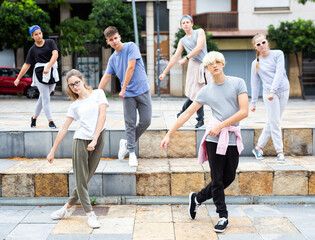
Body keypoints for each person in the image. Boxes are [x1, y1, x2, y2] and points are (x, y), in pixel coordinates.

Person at [160, 51, 248, 233]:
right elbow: (186, 114)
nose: (214, 65)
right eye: (210, 63)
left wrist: (222, 125)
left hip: (230, 136)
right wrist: (169, 133)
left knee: (228, 177)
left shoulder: (238, 83)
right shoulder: (206, 91)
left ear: (223, 64)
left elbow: (244, 111)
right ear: (206, 68)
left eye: (217, 62)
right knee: (217, 179)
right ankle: (223, 216)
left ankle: (197, 198)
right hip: (213, 138)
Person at [47, 69, 109, 229]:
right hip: (80, 141)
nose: (75, 87)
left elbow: (102, 116)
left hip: (98, 138)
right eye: (71, 85)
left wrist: (95, 139)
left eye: (77, 82)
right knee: (81, 179)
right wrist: (53, 150)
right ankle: (90, 214)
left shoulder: (98, 94)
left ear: (82, 80)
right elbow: (64, 128)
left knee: (86, 177)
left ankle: (66, 208)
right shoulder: (74, 105)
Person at [99, 26, 152, 167]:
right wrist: (97, 93)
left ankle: (126, 143)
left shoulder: (130, 47)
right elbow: (106, 77)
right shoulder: (112, 59)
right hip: (128, 96)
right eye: (111, 40)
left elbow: (131, 67)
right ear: (107, 42)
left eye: (116, 38)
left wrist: (122, 89)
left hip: (142, 90)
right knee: (130, 123)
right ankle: (132, 154)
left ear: (119, 36)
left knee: (146, 121)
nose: (114, 41)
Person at [159, 15, 211, 128]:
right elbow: (174, 57)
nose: (186, 24)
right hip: (193, 66)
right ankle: (200, 119)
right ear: (181, 26)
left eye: (188, 22)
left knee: (203, 92)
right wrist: (164, 72)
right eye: (183, 23)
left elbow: (198, 48)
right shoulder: (182, 41)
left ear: (192, 23)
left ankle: (182, 113)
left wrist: (185, 58)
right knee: (196, 93)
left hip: (205, 65)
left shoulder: (200, 32)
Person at [250, 33, 290, 162]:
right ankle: (280, 151)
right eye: (258, 44)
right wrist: (254, 102)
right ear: (255, 47)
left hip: (283, 90)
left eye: (263, 42)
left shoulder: (278, 54)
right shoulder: (255, 63)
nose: (262, 45)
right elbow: (255, 83)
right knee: (275, 121)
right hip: (269, 95)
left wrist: (274, 90)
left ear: (267, 43)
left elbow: (279, 72)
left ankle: (258, 147)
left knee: (274, 119)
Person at [14, 25, 59, 129]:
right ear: (32, 36)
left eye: (40, 33)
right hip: (40, 73)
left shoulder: (50, 42)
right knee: (46, 98)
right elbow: (27, 64)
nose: (39, 36)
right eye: (36, 34)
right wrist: (18, 78)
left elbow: (55, 55)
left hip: (51, 72)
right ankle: (50, 121)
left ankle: (34, 118)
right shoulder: (32, 50)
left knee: (43, 97)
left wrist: (48, 66)